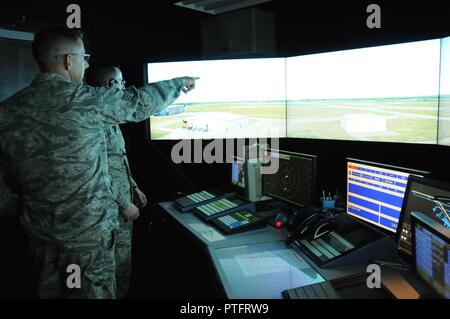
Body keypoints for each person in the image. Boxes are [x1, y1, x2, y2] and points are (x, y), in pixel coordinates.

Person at [0, 27, 198, 298]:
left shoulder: (7, 110)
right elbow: (137, 103)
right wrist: (178, 83)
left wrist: (19, 209)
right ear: (69, 61)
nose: (87, 63)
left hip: (38, 236)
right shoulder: (86, 101)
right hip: (87, 240)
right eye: (84, 57)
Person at [86, 65, 147, 298]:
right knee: (111, 268)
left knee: (123, 263)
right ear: (108, 85)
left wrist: (133, 187)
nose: (123, 87)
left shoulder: (110, 116)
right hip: (110, 210)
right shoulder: (95, 121)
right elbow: (97, 170)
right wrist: (123, 202)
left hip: (123, 201)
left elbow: (118, 159)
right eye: (120, 82)